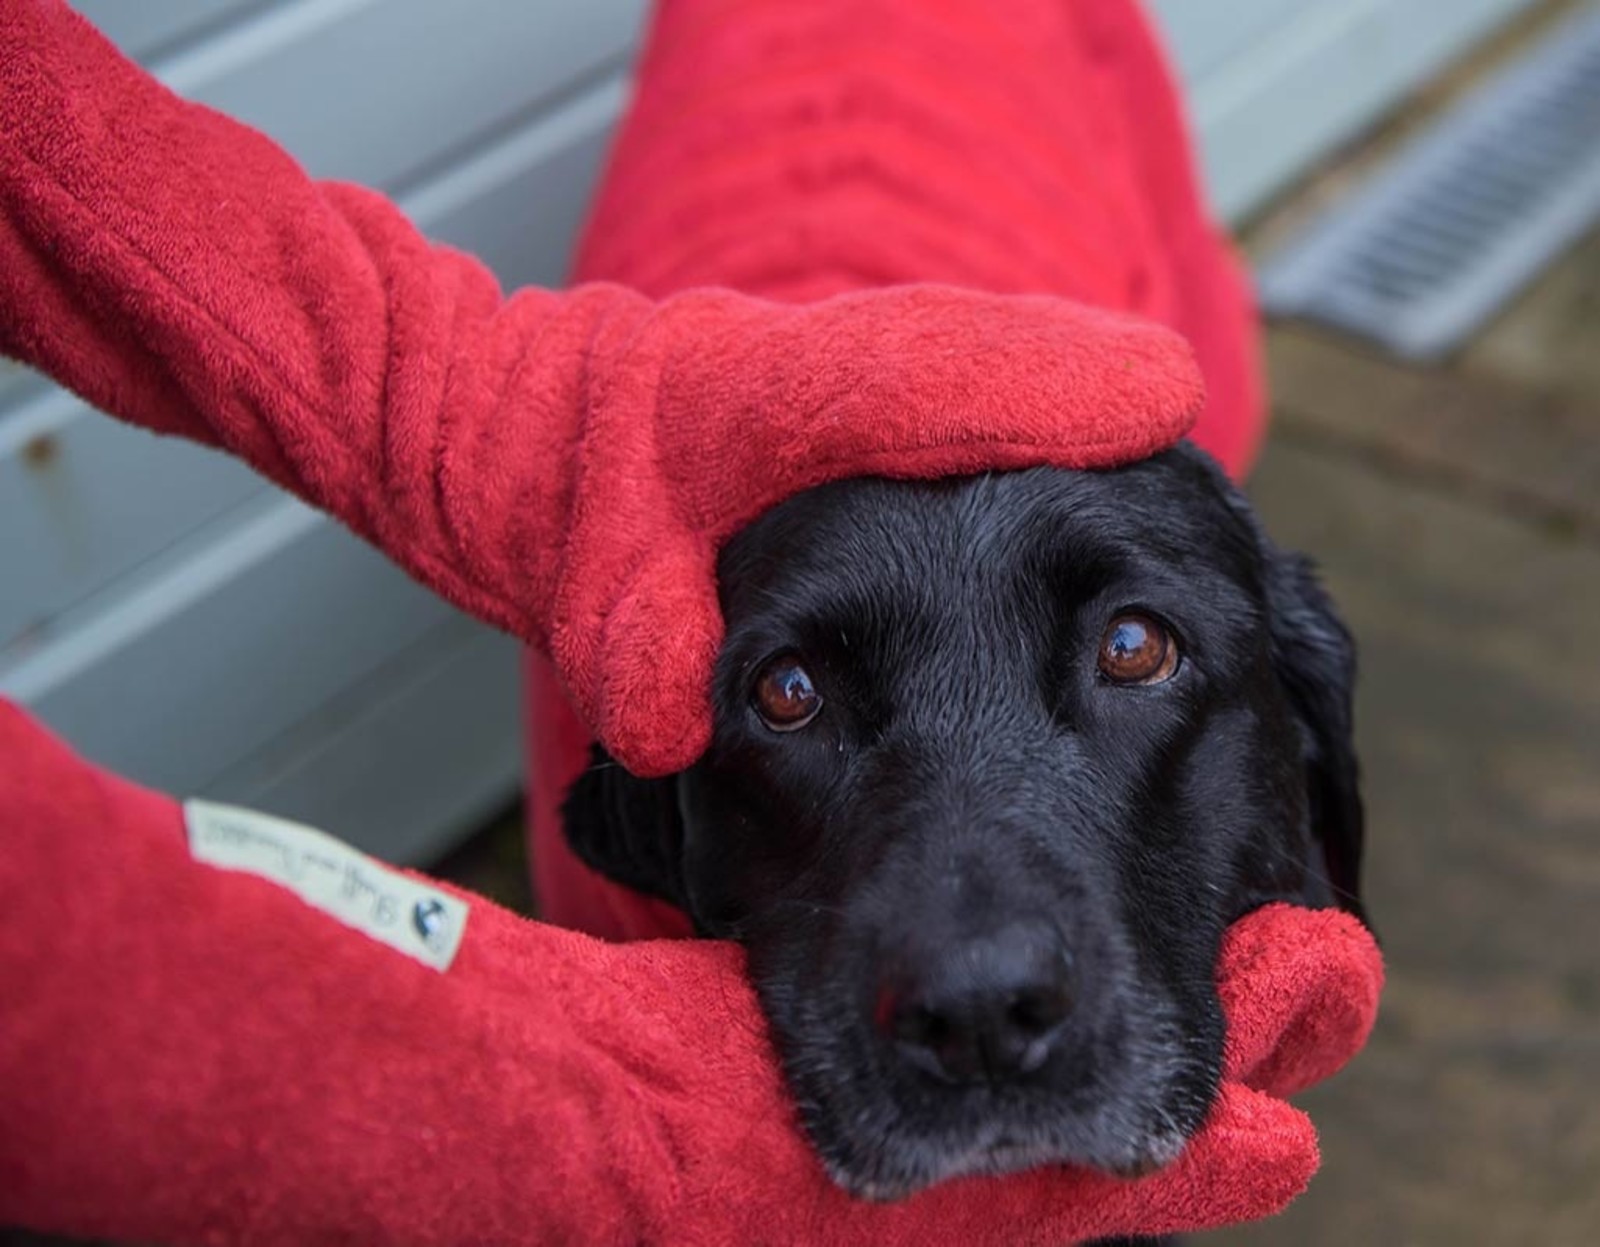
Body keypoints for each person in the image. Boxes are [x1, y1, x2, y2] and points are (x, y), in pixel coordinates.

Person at [0, 2, 1380, 1243]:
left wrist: (499, 398)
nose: (982, 970)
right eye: (786, 696)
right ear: (646, 807)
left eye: (1131, 652)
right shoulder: (629, 698)